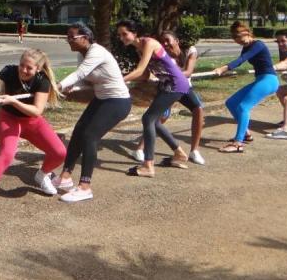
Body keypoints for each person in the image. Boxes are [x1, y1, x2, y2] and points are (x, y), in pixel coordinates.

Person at [0, 48, 66, 220]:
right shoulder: (9, 71)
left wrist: (13, 100)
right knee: (6, 154)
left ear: (38, 69)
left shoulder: (42, 80)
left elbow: (36, 111)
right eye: (22, 65)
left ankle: (42, 175)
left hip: (32, 121)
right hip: (9, 119)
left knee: (60, 152)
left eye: (29, 68)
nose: (24, 70)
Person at [54, 24, 132, 202]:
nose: (68, 41)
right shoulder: (82, 56)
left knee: (90, 136)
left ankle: (84, 187)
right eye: (67, 38)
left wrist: (58, 86)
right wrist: (72, 88)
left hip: (118, 101)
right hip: (102, 99)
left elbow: (80, 73)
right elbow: (88, 81)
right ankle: (65, 177)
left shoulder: (97, 51)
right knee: (79, 130)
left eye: (71, 37)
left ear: (85, 37)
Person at [116, 20, 190, 178]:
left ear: (134, 33)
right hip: (167, 85)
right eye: (119, 35)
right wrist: (129, 80)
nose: (121, 37)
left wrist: (120, 79)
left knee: (148, 118)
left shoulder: (149, 43)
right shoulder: (139, 49)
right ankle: (179, 153)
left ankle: (148, 165)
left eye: (124, 34)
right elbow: (144, 74)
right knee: (154, 121)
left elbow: (140, 69)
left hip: (175, 84)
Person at [128, 30, 206, 166]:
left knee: (198, 108)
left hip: (182, 86)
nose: (165, 44)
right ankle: (140, 149)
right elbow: (146, 72)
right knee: (157, 118)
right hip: (167, 86)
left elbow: (188, 72)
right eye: (162, 41)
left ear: (177, 41)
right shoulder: (159, 51)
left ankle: (194, 150)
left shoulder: (189, 51)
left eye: (167, 40)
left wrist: (173, 73)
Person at [213, 21, 279, 152]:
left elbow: (242, 60)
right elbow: (242, 59)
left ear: (247, 33)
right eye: (235, 38)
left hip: (269, 80)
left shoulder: (258, 44)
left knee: (243, 107)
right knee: (231, 103)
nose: (238, 40)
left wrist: (224, 68)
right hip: (260, 79)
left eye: (239, 37)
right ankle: (246, 134)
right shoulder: (246, 47)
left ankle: (238, 143)